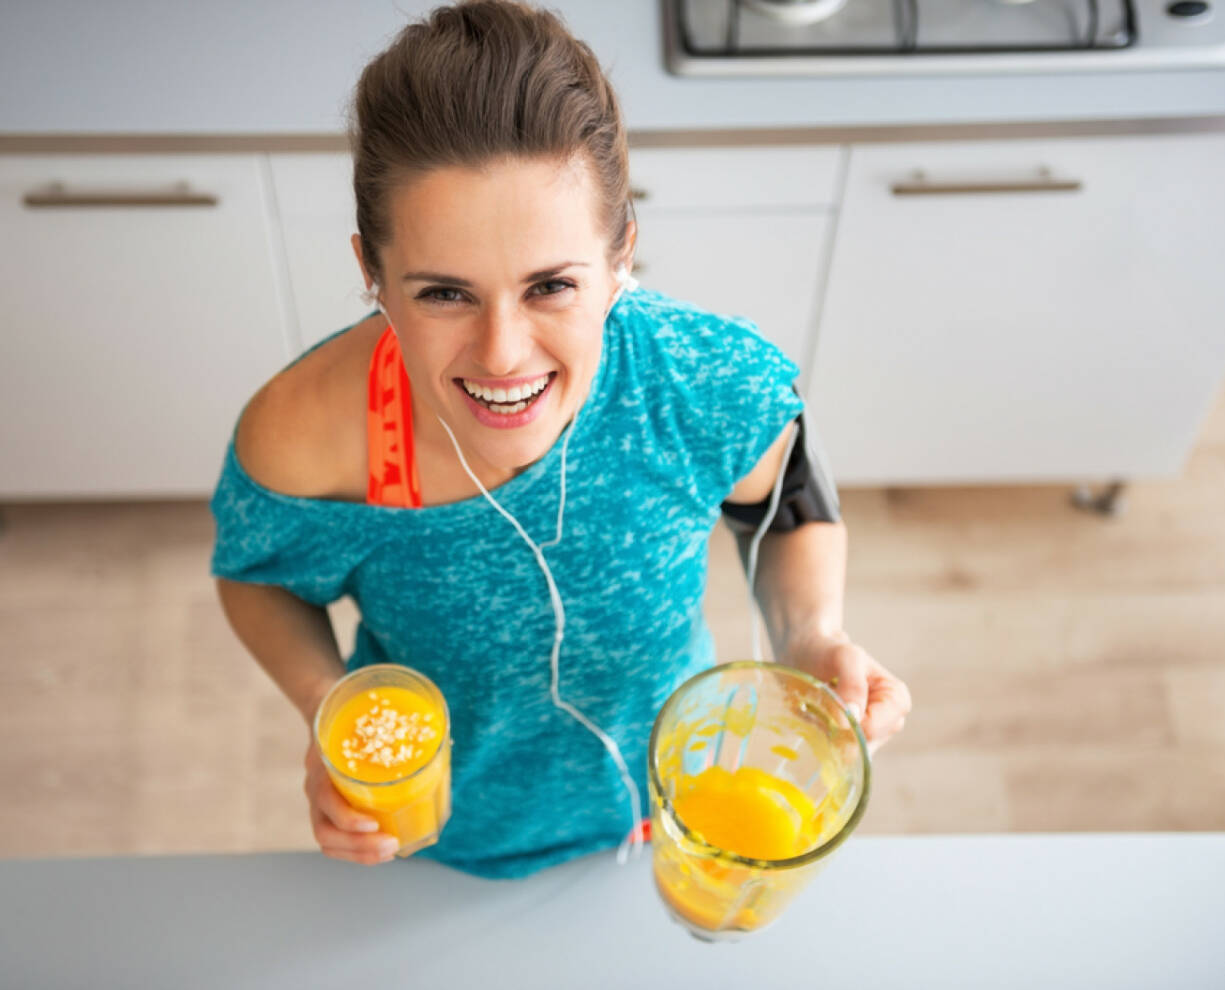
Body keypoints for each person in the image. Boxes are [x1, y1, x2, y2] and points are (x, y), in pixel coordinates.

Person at [212, 0, 910, 880]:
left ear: (622, 254)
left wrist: (811, 635)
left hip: (682, 804)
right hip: (439, 841)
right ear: (371, 274)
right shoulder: (305, 433)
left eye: (551, 286)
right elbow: (256, 578)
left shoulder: (700, 378)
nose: (504, 355)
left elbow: (785, 495)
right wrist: (330, 710)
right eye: (442, 294)